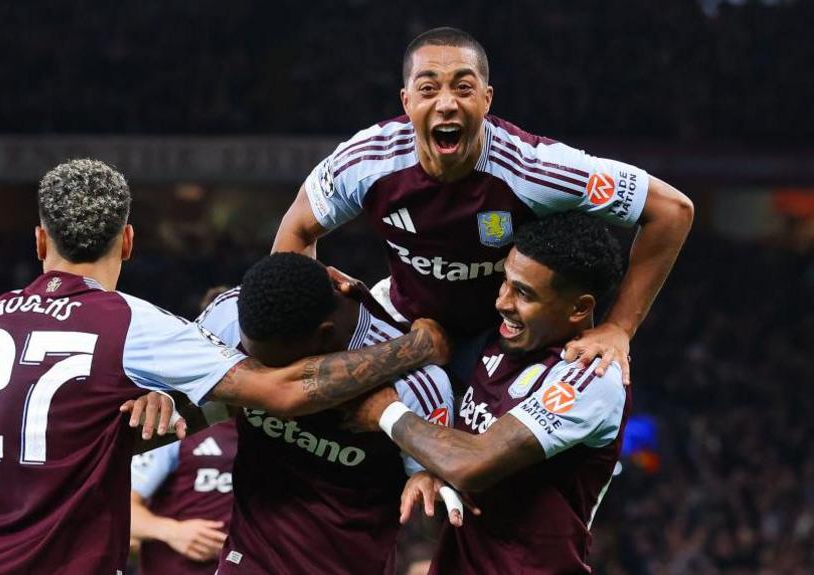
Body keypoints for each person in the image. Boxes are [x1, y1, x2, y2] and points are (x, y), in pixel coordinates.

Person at [0, 159, 450, 574]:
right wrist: (413, 348)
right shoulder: (129, 323)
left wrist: (175, 399)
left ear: (40, 242)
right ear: (130, 241)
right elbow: (282, 392)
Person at [273, 26, 693, 385]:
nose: (446, 103)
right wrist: (304, 316)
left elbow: (671, 211)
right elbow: (297, 228)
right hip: (403, 322)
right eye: (428, 88)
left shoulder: (535, 169)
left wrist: (619, 328)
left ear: (486, 100)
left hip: (504, 338)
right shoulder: (366, 161)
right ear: (406, 102)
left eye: (463, 87)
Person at [350, 212, 631, 573]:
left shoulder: (591, 376)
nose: (502, 301)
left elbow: (472, 464)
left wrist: (385, 412)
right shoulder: (497, 341)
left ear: (579, 308)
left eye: (524, 293)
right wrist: (428, 467)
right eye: (506, 282)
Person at [195, 253, 454, 575]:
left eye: (275, 367)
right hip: (249, 556)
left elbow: (432, 495)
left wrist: (428, 475)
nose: (267, 386)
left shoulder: (414, 384)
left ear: (325, 335)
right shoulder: (228, 317)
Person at [129, 419, 237, 575]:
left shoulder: (272, 434)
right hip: (173, 567)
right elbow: (119, 509)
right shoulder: (179, 427)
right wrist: (172, 531)